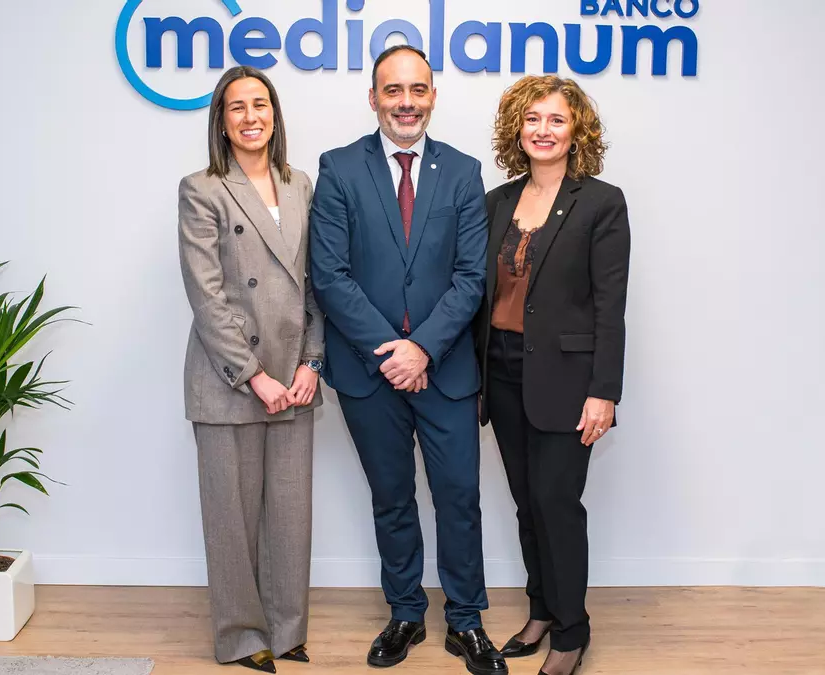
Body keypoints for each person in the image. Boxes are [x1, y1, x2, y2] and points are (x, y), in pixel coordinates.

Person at [309, 45, 507, 675]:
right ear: (373, 98)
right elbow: (330, 274)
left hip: (445, 371)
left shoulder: (463, 172)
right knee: (391, 498)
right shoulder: (339, 168)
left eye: (418, 89)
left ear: (433, 97)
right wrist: (392, 353)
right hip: (369, 373)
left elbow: (472, 276)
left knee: (459, 499)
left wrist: (422, 348)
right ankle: (405, 613)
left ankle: (466, 620)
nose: (406, 102)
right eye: (393, 90)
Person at [473, 75, 631, 675]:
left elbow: (609, 306)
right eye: (532, 119)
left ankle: (571, 631)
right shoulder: (497, 202)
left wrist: (603, 392)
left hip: (567, 378)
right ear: (517, 129)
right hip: (501, 370)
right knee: (525, 502)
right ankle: (540, 610)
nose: (543, 130)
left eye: (556, 119)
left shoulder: (601, 202)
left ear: (576, 131)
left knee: (555, 502)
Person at [177, 65, 325, 673]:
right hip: (230, 379)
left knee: (290, 515)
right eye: (236, 107)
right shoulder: (202, 188)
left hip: (294, 377)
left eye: (260, 104)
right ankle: (242, 636)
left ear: (274, 113)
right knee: (232, 520)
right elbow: (206, 294)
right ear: (221, 120)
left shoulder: (300, 183)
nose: (250, 116)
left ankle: (287, 631)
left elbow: (316, 282)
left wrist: (312, 360)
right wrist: (253, 374)